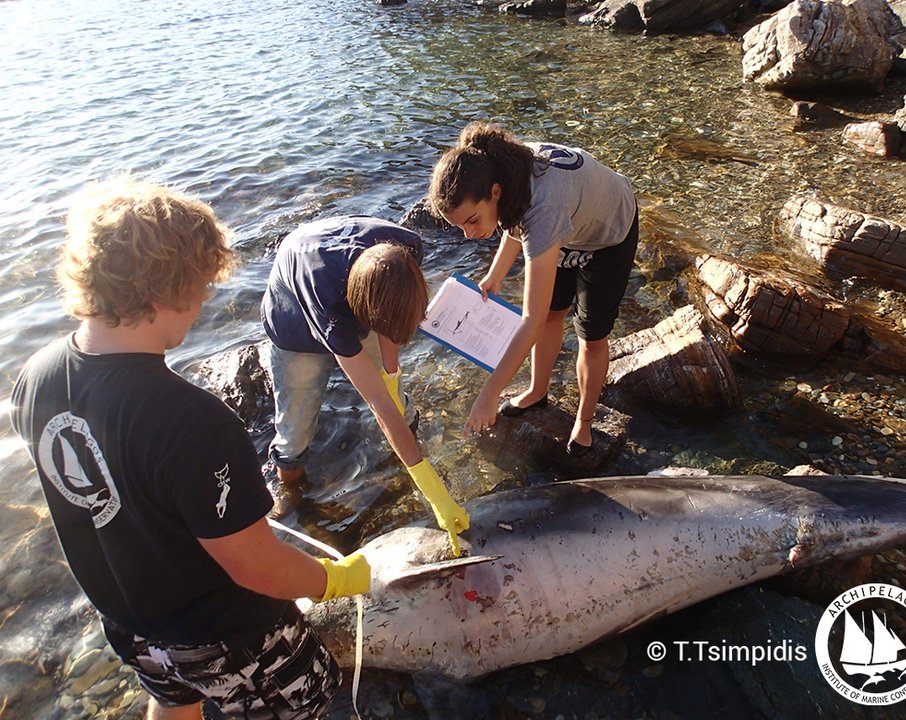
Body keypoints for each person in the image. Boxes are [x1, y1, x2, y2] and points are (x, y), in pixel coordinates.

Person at [10, 179, 370, 720]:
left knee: (173, 699)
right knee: (309, 703)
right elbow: (256, 568)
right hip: (228, 638)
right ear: (163, 294)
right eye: (201, 287)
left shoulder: (34, 378)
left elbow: (107, 493)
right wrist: (333, 580)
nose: (204, 301)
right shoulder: (195, 423)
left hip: (131, 625)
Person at [260, 215, 469, 554]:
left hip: (350, 276)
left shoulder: (407, 247)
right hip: (294, 322)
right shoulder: (331, 313)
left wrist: (391, 373)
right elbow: (379, 405)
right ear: (365, 314)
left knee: (393, 394)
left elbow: (391, 326)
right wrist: (434, 491)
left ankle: (406, 452)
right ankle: (291, 494)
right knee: (295, 430)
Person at [427, 122, 639, 456]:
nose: (469, 235)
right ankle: (538, 391)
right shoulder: (499, 166)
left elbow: (531, 320)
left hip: (608, 232)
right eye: (460, 227)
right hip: (568, 224)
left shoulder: (544, 207)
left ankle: (584, 422)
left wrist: (489, 395)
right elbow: (516, 219)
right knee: (554, 312)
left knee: (591, 336)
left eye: (472, 220)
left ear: (495, 192)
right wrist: (496, 274)